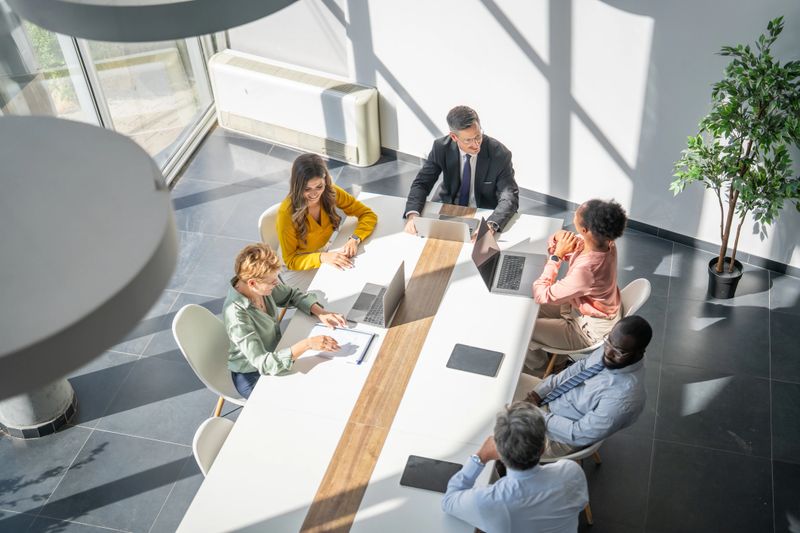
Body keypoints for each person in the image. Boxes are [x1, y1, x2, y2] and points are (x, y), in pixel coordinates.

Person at [223, 243, 348, 399]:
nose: (276, 285)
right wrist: (307, 344)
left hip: (277, 353)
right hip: (253, 375)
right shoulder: (236, 316)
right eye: (272, 282)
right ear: (252, 283)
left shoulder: (261, 285)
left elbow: (291, 295)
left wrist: (321, 312)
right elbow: (263, 363)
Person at [515, 315, 651, 458]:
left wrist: (535, 414)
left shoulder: (624, 399)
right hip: (554, 400)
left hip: (560, 435)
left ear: (639, 353)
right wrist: (539, 393)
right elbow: (580, 367)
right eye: (608, 342)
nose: (608, 353)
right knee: (503, 387)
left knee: (496, 430)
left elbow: (578, 434)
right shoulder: (614, 346)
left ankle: (504, 467)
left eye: (618, 352)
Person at [442, 402, 589, 532]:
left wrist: (480, 457)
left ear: (499, 452)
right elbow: (581, 504)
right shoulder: (572, 472)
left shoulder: (488, 501)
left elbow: (448, 502)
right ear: (543, 448)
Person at [527, 198, 627, 370]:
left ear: (585, 229)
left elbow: (541, 294)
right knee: (526, 308)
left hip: (585, 330)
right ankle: (557, 359)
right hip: (581, 308)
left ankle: (543, 369)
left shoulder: (587, 271)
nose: (574, 214)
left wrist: (556, 256)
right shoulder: (606, 242)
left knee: (525, 328)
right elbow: (571, 245)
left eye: (577, 214)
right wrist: (559, 240)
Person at [403, 105, 519, 234]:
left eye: (478, 137)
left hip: (483, 213)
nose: (475, 145)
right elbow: (422, 183)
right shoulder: (441, 148)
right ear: (454, 137)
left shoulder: (499, 154)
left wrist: (490, 226)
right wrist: (412, 215)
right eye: (468, 140)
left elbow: (509, 196)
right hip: (447, 206)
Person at [276, 153, 377, 288]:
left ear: (325, 181)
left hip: (324, 251)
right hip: (297, 267)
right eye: (307, 189)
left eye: (319, 186)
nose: (314, 194)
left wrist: (355, 238)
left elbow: (367, 214)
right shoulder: (285, 214)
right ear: (297, 186)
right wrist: (322, 257)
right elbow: (291, 260)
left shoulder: (331, 192)